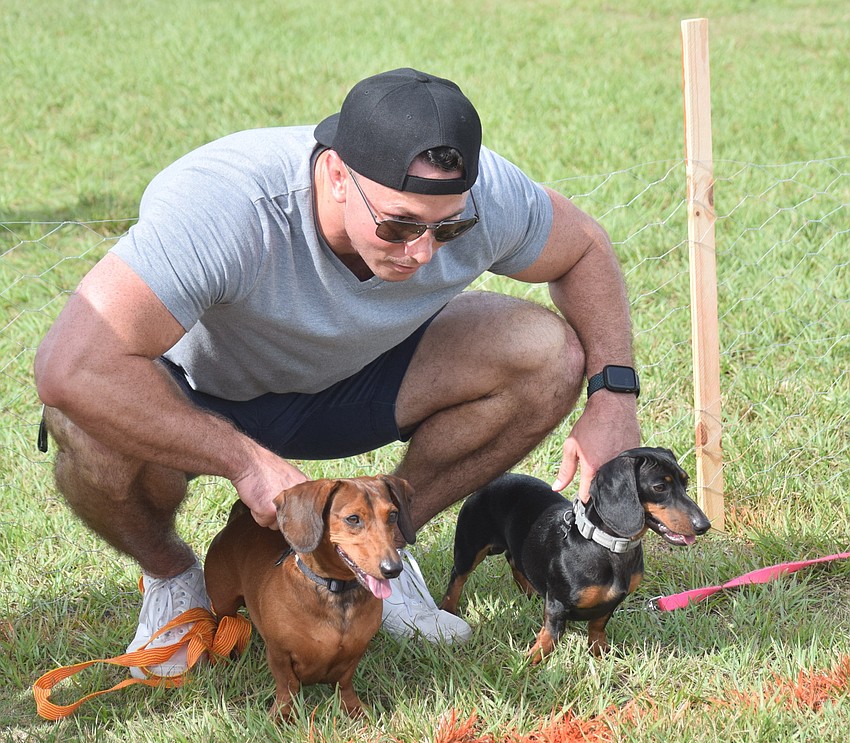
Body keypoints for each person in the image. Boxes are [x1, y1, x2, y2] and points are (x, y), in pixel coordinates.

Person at [34, 68, 640, 677]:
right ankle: (171, 578)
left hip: (355, 384)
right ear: (335, 176)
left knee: (547, 353)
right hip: (201, 396)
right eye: (399, 225)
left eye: (447, 228)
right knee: (79, 416)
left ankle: (383, 553)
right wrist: (246, 462)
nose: (424, 252)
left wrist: (615, 401)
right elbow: (69, 367)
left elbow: (585, 247)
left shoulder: (486, 200)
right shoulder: (229, 207)